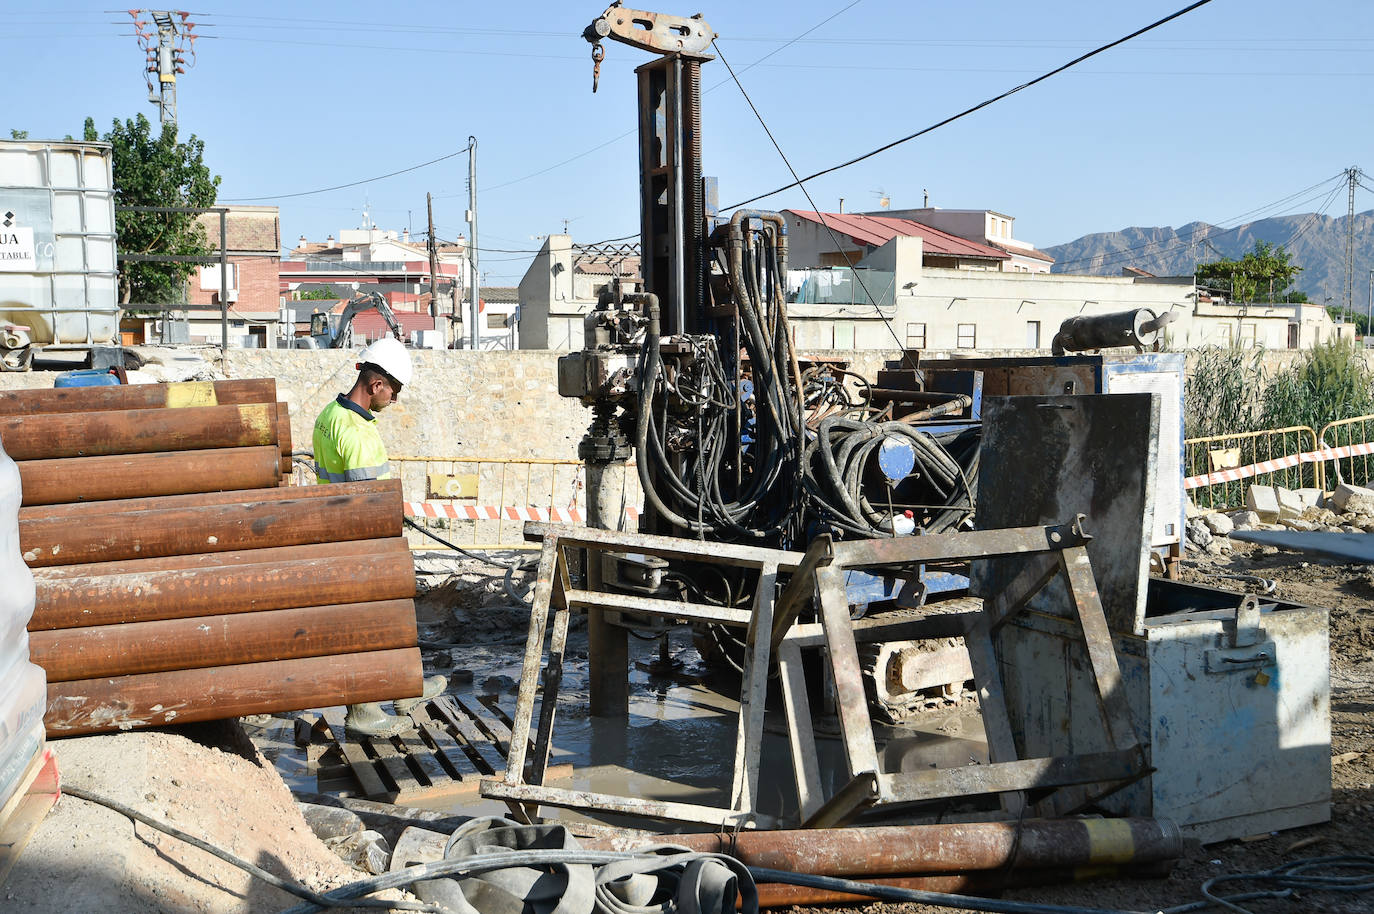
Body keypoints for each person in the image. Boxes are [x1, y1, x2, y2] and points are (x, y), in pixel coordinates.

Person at [313, 336, 444, 738]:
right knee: (368, 626)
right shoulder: (356, 432)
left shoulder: (329, 414)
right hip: (361, 542)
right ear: (375, 385)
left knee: (385, 623)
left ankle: (403, 690)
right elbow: (367, 502)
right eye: (394, 391)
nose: (395, 399)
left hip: (339, 537)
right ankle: (366, 710)